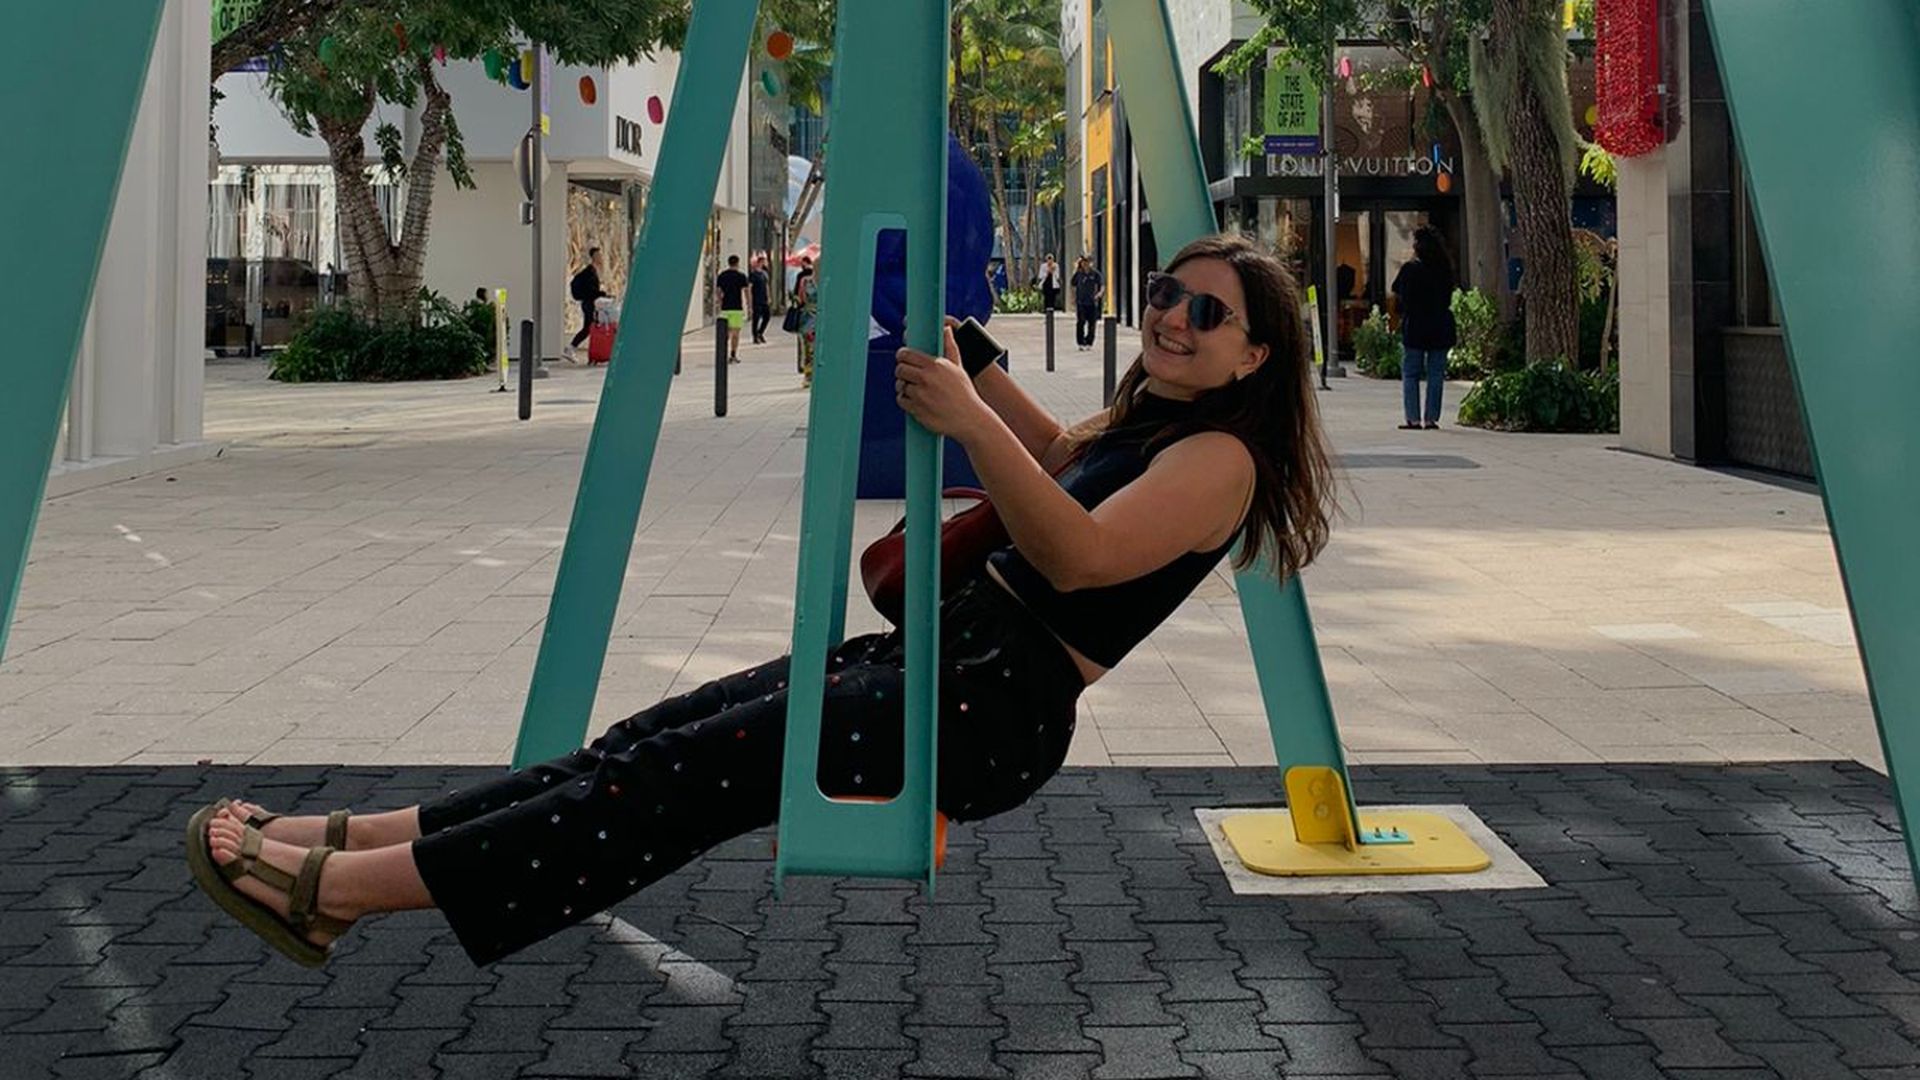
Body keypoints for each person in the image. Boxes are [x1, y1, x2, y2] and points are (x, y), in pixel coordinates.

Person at [183, 233, 1336, 973]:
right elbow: (1056, 456)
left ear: (1255, 359)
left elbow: (1081, 554)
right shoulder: (1155, 426)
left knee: (661, 787)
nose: (1175, 315)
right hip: (945, 661)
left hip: (993, 706)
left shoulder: (1222, 462)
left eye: (1209, 312)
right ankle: (362, 841)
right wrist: (972, 354)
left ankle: (335, 894)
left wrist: (966, 421)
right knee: (649, 744)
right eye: (1171, 292)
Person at [1390, 225, 1458, 430]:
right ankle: (1431, 418)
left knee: (1411, 372)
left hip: (1416, 325)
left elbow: (1397, 292)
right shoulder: (1445, 270)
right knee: (1435, 374)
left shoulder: (1410, 270)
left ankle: (1413, 418)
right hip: (1440, 324)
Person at [568, 248, 607, 362]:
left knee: (590, 328)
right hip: (588, 303)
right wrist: (602, 293)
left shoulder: (592, 271)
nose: (601, 257)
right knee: (588, 328)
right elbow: (591, 290)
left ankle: (589, 352)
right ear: (594, 256)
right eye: (599, 255)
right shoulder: (590, 272)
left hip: (589, 302)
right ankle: (571, 348)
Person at [714, 255, 750, 363]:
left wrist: (720, 303)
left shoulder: (722, 276)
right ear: (737, 263)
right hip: (737, 308)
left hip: (725, 308)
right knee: (736, 333)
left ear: (729, 263)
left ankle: (722, 354)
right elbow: (746, 291)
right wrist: (749, 305)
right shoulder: (741, 276)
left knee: (725, 333)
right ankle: (733, 354)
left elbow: (718, 291)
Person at [1071, 256, 1104, 350]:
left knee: (1092, 323)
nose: (1085, 264)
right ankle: (1080, 342)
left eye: (1087, 262)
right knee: (1080, 322)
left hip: (1092, 302)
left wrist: (1099, 294)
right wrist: (1073, 298)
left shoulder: (1095, 274)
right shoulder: (1078, 274)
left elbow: (1101, 285)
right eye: (1084, 262)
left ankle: (1089, 342)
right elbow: (1073, 286)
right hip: (1081, 302)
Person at [794, 255, 817, 387]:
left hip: (808, 317)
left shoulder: (804, 281)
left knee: (807, 349)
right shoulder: (827, 280)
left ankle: (808, 376)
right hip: (822, 317)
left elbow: (801, 298)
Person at [748, 254, 773, 345]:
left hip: (764, 299)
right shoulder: (753, 274)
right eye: (763, 262)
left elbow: (766, 286)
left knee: (767, 316)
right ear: (759, 262)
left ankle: (760, 332)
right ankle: (755, 336)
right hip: (756, 299)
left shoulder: (764, 273)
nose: (765, 263)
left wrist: (769, 296)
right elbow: (750, 287)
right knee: (756, 318)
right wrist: (750, 302)